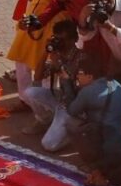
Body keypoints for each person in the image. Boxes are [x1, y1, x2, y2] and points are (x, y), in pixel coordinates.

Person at [10, 0, 85, 103]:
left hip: (56, 21)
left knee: (47, 64)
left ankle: (44, 105)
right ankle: (25, 100)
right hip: (35, 14)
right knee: (21, 58)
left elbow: (70, 2)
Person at [67, 57, 121, 186]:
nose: (77, 77)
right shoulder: (116, 83)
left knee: (71, 123)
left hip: (109, 148)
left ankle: (94, 166)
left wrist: (65, 83)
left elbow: (72, 110)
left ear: (90, 76)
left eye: (80, 74)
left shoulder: (87, 91)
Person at [21, 18, 81, 150]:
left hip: (74, 107)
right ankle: (45, 121)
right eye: (57, 39)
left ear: (74, 40)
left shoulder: (81, 58)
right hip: (62, 99)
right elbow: (37, 77)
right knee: (30, 92)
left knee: (49, 145)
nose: (60, 43)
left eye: (63, 40)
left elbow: (73, 91)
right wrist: (46, 52)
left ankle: (73, 132)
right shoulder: (57, 54)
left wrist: (58, 65)